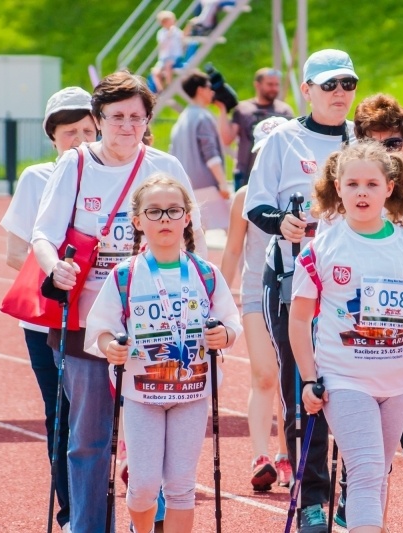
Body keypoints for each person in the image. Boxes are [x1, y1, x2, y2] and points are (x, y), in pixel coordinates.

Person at [31, 71, 205, 533]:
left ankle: (150, 523)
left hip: (158, 327)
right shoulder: (76, 165)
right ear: (99, 119)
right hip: (86, 324)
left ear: (148, 120)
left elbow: (196, 242)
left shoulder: (164, 166)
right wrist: (56, 268)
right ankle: (88, 526)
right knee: (89, 438)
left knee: (155, 439)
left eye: (137, 117)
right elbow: (43, 234)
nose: (127, 126)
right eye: (117, 117)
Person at [289, 142, 403, 533]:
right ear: (337, 187)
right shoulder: (321, 249)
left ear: (389, 188)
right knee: (368, 469)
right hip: (344, 381)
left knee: (376, 472)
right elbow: (299, 317)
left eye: (371, 184)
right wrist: (308, 378)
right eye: (352, 183)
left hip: (397, 384)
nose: (361, 192)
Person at [84, 174, 241, 533]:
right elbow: (102, 328)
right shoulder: (125, 276)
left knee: (181, 488)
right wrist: (111, 347)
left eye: (174, 210)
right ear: (138, 221)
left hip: (191, 392)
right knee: (142, 489)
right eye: (154, 212)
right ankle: (139, 527)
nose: (165, 218)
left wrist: (224, 334)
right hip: (142, 394)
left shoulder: (206, 273)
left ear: (187, 218)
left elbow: (231, 322)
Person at [242, 48, 358, 532]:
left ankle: (355, 493)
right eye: (328, 85)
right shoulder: (283, 140)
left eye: (347, 84)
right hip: (293, 283)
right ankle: (312, 498)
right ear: (306, 89)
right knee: (303, 388)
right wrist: (285, 222)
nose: (339, 94)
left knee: (359, 387)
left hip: (355, 290)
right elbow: (256, 207)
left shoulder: (363, 139)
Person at [1, 86, 97, 533]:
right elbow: (15, 252)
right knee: (61, 415)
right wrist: (58, 270)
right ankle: (73, 510)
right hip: (46, 319)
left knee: (110, 417)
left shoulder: (110, 172)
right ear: (52, 137)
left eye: (87, 129)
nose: (79, 138)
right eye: (69, 132)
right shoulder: (36, 178)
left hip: (102, 316)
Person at [220, 116, 293, 491]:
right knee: (264, 374)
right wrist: (216, 299)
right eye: (263, 155)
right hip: (254, 293)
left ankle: (286, 453)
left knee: (289, 378)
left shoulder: (300, 195)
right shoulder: (245, 197)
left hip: (294, 293)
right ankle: (260, 455)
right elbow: (233, 250)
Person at [170, 70, 230, 231]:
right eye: (209, 87)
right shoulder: (203, 117)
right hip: (207, 186)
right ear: (200, 90)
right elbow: (211, 154)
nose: (212, 92)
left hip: (187, 185)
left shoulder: (182, 118)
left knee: (197, 232)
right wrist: (223, 184)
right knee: (230, 229)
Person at [216, 68, 294, 191]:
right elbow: (226, 140)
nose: (274, 88)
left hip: (276, 173)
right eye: (269, 84)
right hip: (245, 174)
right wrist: (223, 110)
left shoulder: (284, 111)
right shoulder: (243, 109)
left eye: (276, 85)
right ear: (257, 85)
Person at [151, 11, 184, 93]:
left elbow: (183, 37)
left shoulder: (176, 31)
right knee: (155, 72)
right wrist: (168, 35)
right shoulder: (161, 33)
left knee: (168, 65)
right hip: (164, 58)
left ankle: (169, 86)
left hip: (175, 57)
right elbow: (162, 46)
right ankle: (160, 90)